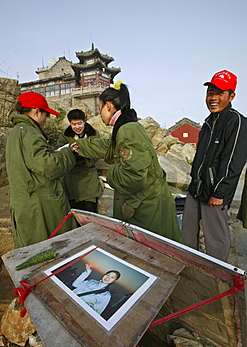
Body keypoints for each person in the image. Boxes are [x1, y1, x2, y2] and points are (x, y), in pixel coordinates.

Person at [71, 81, 181, 242]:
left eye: (100, 108)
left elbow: (133, 176)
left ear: (108, 106)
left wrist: (112, 172)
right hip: (144, 202)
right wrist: (80, 146)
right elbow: (109, 147)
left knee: (154, 254)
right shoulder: (125, 127)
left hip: (148, 207)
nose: (99, 113)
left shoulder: (127, 130)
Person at [182, 70, 247, 261]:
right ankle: (191, 267)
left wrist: (220, 193)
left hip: (214, 193)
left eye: (220, 93)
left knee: (216, 240)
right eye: (210, 93)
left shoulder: (236, 121)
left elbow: (234, 162)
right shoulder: (208, 123)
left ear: (231, 96)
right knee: (188, 233)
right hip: (197, 187)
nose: (213, 98)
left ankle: (217, 275)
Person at [6, 91, 78, 249]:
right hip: (39, 204)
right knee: (48, 250)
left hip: (24, 201)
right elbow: (48, 166)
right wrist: (67, 153)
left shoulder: (16, 132)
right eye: (46, 115)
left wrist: (51, 153)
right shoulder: (31, 132)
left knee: (31, 250)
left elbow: (31, 162)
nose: (46, 120)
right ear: (36, 111)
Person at [55, 109, 103, 212]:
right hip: (71, 176)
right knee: (75, 212)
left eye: (79, 123)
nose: (77, 127)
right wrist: (71, 150)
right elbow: (59, 151)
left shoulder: (93, 134)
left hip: (88, 176)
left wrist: (83, 151)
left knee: (90, 211)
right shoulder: (65, 135)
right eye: (74, 124)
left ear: (84, 121)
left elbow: (98, 151)